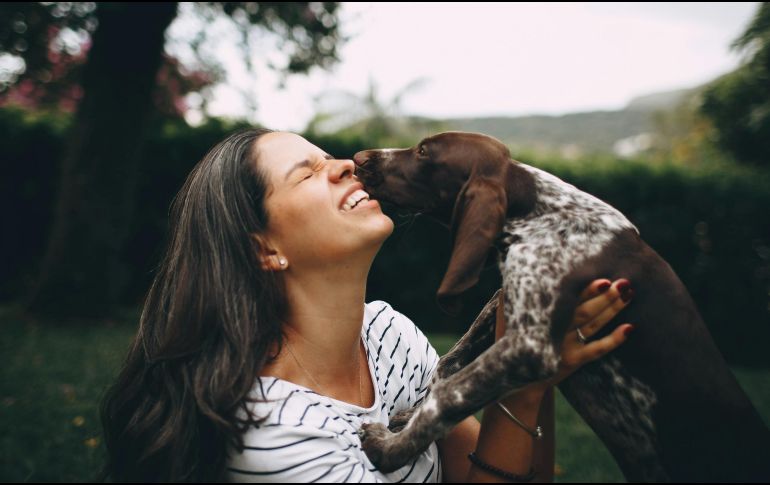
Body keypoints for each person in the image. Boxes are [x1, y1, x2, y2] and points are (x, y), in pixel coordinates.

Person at [100, 128, 635, 482]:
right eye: (305, 173)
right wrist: (524, 386)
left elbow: (491, 470)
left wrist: (527, 358)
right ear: (263, 249)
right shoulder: (277, 435)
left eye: (326, 155)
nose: (345, 164)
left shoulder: (386, 335)